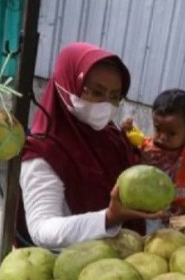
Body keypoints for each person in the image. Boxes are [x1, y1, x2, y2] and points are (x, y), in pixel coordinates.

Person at [17, 42, 162, 251]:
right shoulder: (44, 152)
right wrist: (108, 218)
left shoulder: (112, 136)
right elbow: (42, 230)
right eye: (95, 92)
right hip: (71, 266)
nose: (105, 103)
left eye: (114, 96)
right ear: (66, 85)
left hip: (124, 259)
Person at [121, 89, 185, 218]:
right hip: (143, 205)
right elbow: (130, 139)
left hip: (173, 211)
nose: (162, 137)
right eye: (158, 129)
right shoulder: (145, 145)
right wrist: (127, 129)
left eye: (171, 133)